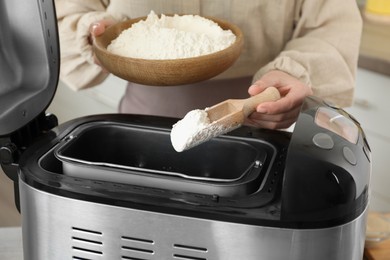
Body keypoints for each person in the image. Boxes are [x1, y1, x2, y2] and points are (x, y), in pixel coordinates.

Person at [55, 0, 362, 129]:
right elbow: (66, 10)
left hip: (261, 114)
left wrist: (294, 72)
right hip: (144, 119)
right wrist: (92, 32)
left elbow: (332, 24)